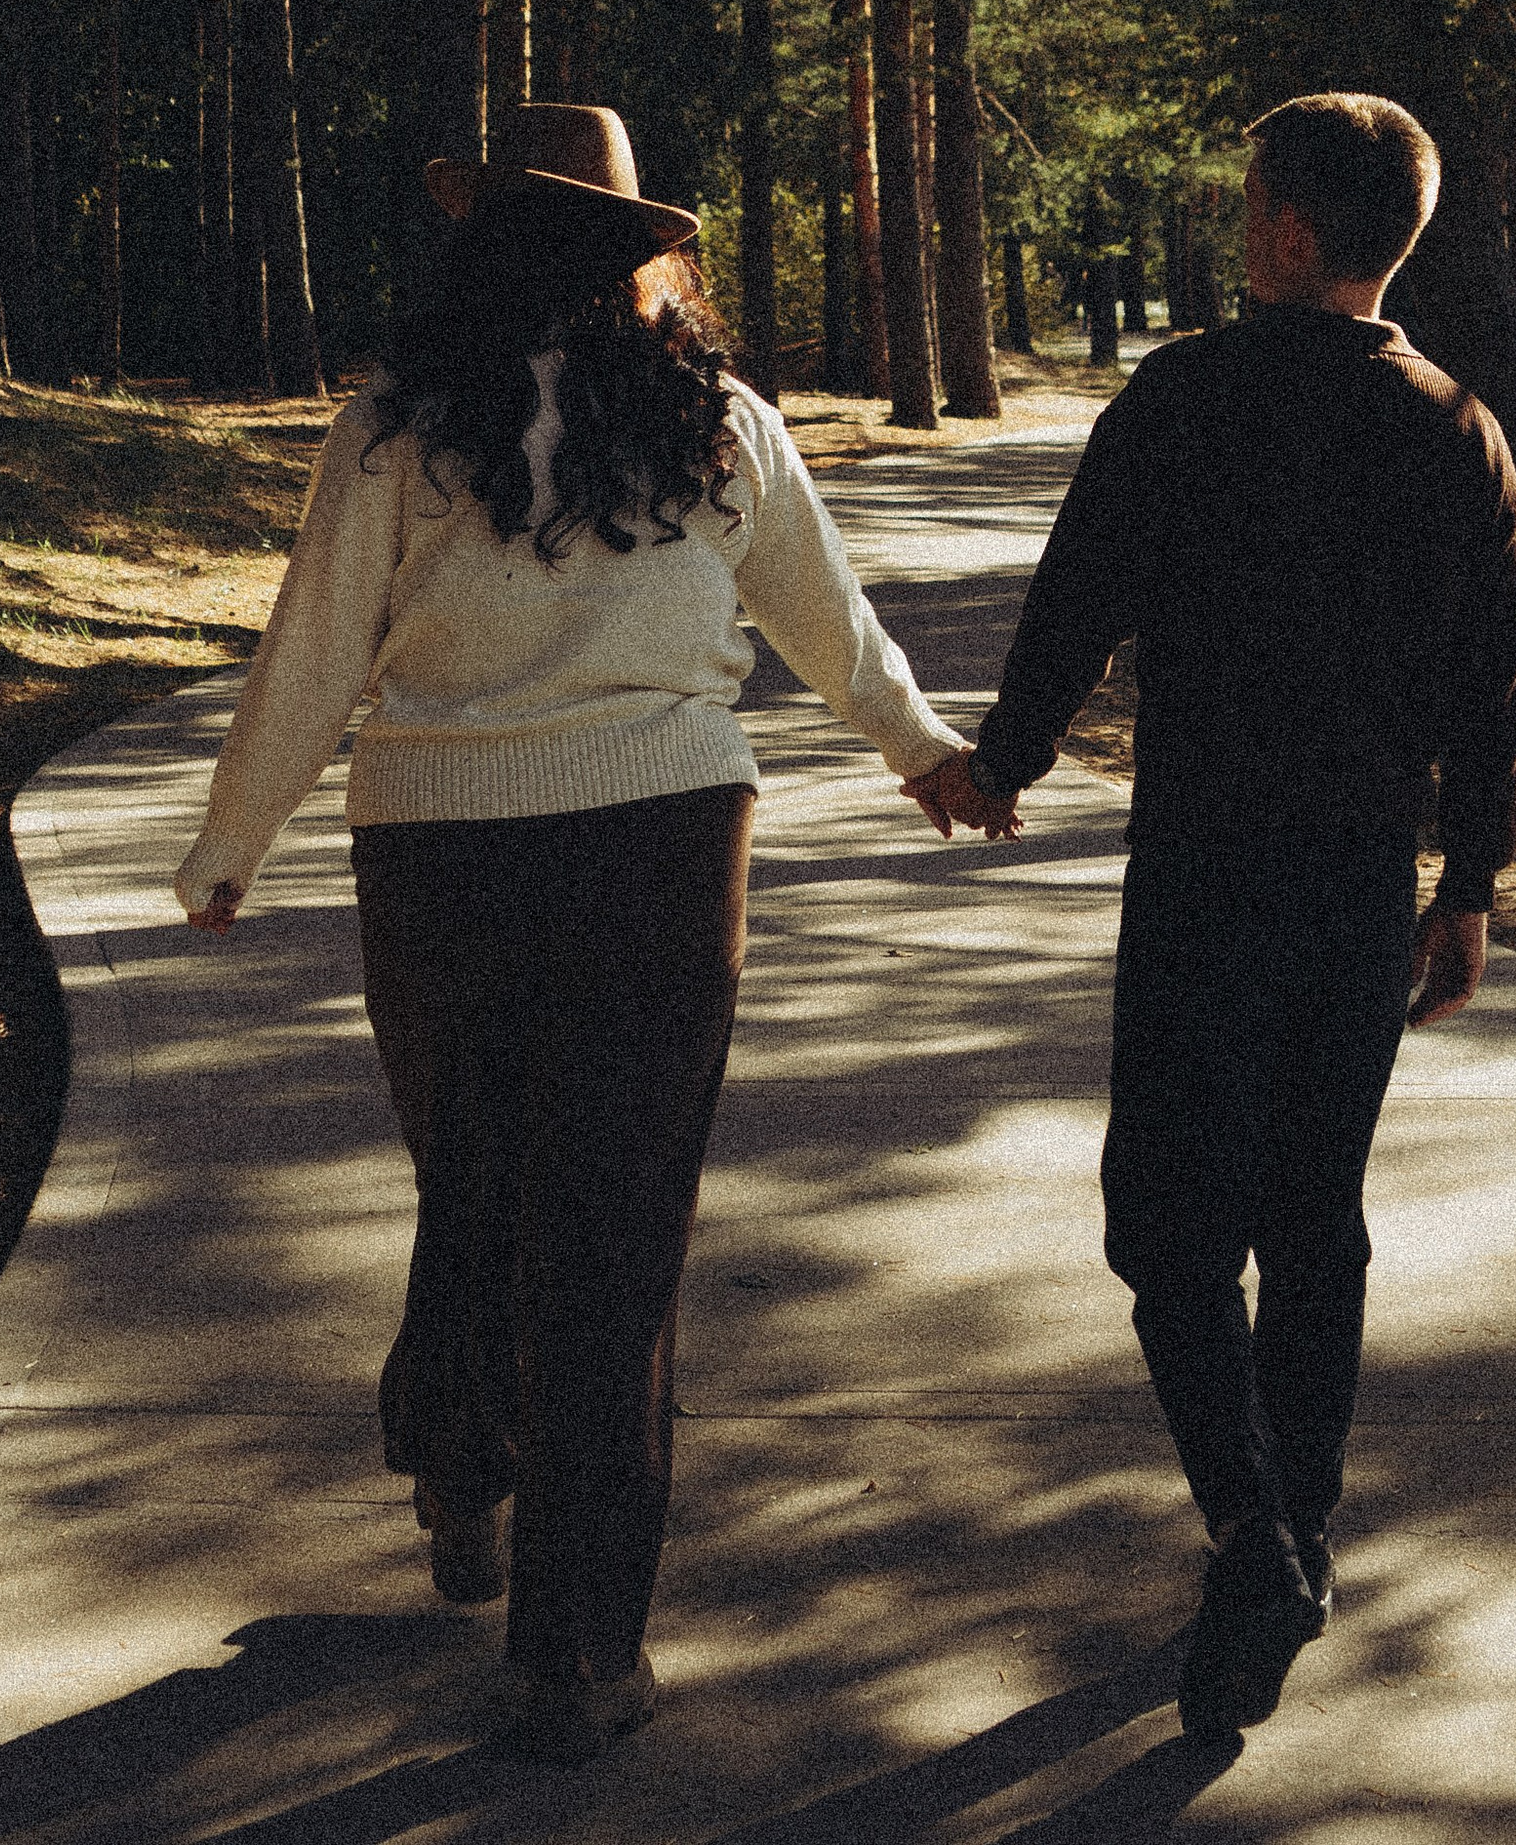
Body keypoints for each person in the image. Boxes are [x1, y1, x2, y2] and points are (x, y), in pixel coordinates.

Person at [173, 104, 970, 1765]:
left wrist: (232, 845)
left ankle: (464, 1479)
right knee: (611, 1255)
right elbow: (825, 613)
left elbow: (313, 648)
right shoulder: (711, 424)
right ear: (639, 265)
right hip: (664, 858)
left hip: (439, 857)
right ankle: (577, 1656)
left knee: (474, 1186)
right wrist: (923, 757)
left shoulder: (393, 432)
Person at [909, 91, 1516, 1747]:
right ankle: (1289, 1537)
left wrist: (998, 762)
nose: (1236, 216)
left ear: (1293, 231)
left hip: (1204, 876)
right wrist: (1468, 887)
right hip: (1356, 887)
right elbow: (1489, 687)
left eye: (1250, 196)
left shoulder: (1183, 398)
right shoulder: (1460, 426)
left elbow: (1081, 598)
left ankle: (1258, 1540)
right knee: (1312, 1219)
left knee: (1164, 1228)